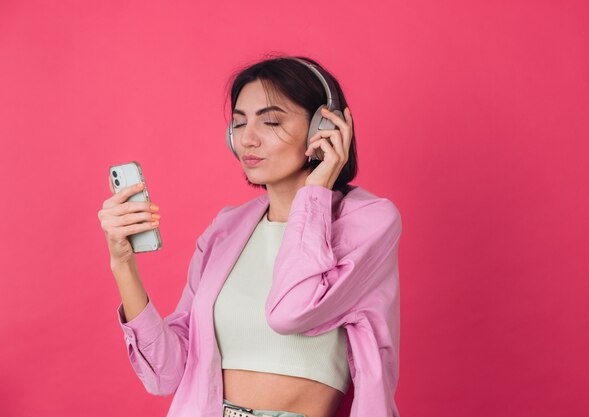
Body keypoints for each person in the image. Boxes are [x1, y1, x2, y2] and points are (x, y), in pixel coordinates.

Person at [98, 55, 402, 417]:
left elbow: (291, 313)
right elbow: (166, 375)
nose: (248, 139)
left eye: (271, 121)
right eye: (239, 124)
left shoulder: (369, 221)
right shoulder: (227, 229)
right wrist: (122, 263)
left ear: (324, 125)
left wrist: (316, 188)